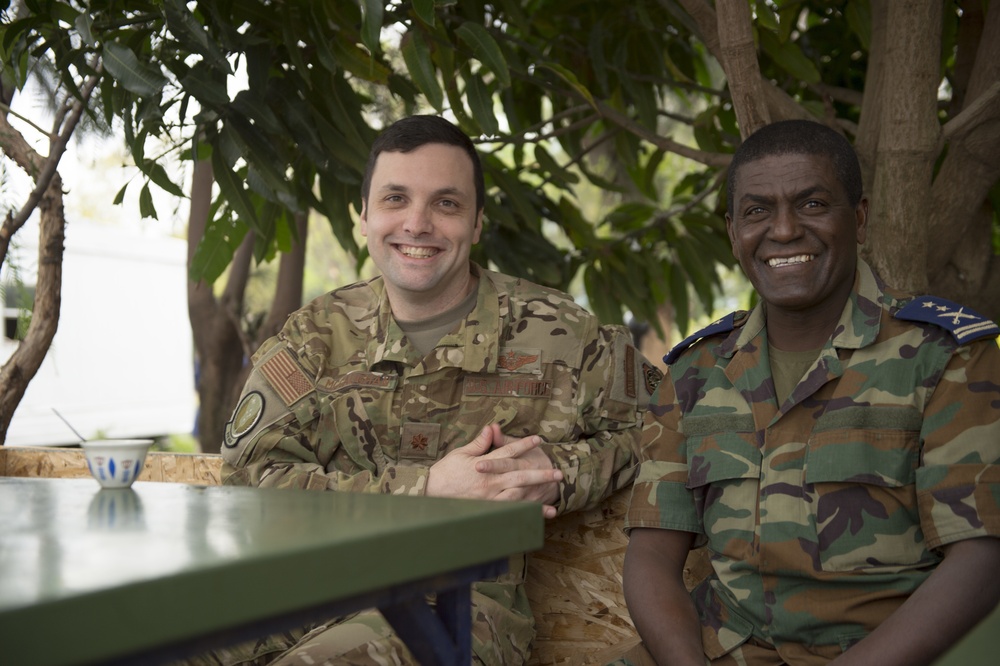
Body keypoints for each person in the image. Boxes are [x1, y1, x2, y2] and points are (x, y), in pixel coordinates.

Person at [217, 115, 662, 665]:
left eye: (446, 204)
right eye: (395, 199)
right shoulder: (317, 335)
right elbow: (248, 482)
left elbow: (662, 426)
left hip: (459, 603)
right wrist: (424, 490)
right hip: (308, 584)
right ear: (365, 217)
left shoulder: (559, 334)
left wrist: (555, 475)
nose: (418, 223)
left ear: (477, 224)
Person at [621, 119, 1000, 666]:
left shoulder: (945, 356)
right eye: (757, 211)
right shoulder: (698, 370)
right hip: (724, 647)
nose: (783, 230)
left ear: (860, 218)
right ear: (733, 233)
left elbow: (981, 558)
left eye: (812, 204)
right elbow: (652, 552)